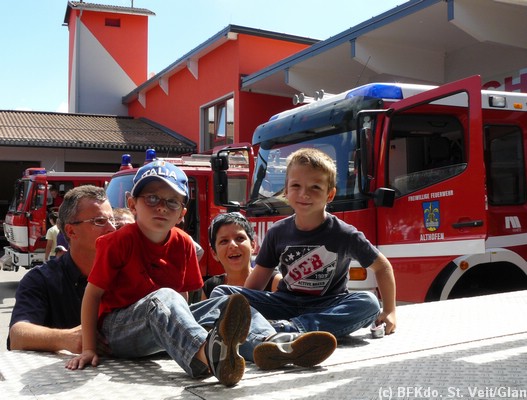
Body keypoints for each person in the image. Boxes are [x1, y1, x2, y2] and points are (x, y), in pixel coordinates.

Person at [65, 160, 337, 386]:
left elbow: (184, 299)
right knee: (164, 297)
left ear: (182, 213)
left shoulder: (183, 243)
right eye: (151, 198)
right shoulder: (117, 241)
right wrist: (89, 347)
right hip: (119, 333)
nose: (162, 206)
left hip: (161, 325)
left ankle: (270, 345)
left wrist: (180, 333)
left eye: (172, 202)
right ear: (132, 204)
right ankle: (208, 355)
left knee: (227, 301)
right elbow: (93, 295)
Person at [211, 147, 397, 339]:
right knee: (222, 293)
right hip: (284, 303)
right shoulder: (277, 232)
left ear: (330, 195)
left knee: (369, 303)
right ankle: (271, 332)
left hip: (328, 305)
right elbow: (255, 284)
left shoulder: (345, 234)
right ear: (286, 190)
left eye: (315, 187)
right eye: (296, 186)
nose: (304, 194)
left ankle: (290, 331)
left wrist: (390, 311)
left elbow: (382, 267)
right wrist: (241, 304)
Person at [8, 185, 116, 353]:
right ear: (71, 231)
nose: (112, 228)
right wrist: (67, 338)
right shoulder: (40, 279)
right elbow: (18, 336)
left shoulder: (128, 272)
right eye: (100, 221)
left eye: (113, 220)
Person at [202, 212, 281, 300]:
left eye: (240, 238)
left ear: (253, 245)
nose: (233, 245)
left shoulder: (274, 282)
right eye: (224, 241)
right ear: (214, 253)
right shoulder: (210, 287)